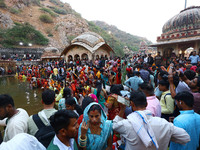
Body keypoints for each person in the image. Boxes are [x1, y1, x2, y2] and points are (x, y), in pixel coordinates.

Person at [113, 91, 190, 150]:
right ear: (146, 104)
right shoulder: (163, 123)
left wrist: (122, 109)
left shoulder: (127, 124)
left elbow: (114, 126)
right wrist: (166, 135)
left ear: (132, 104)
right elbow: (186, 137)